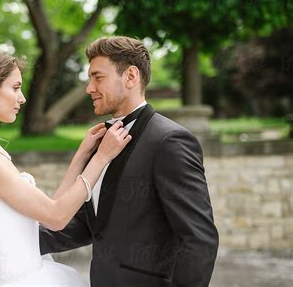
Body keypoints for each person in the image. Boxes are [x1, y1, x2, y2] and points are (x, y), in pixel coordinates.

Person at [0, 47, 132, 286]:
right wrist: (101, 158)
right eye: (16, 87)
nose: (22, 98)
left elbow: (48, 213)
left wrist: (82, 155)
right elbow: (57, 218)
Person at [40, 36, 219, 287]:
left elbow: (199, 238)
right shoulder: (101, 142)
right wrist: (15, 243)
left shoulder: (170, 141)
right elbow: (90, 224)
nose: (89, 88)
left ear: (130, 76)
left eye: (98, 77)